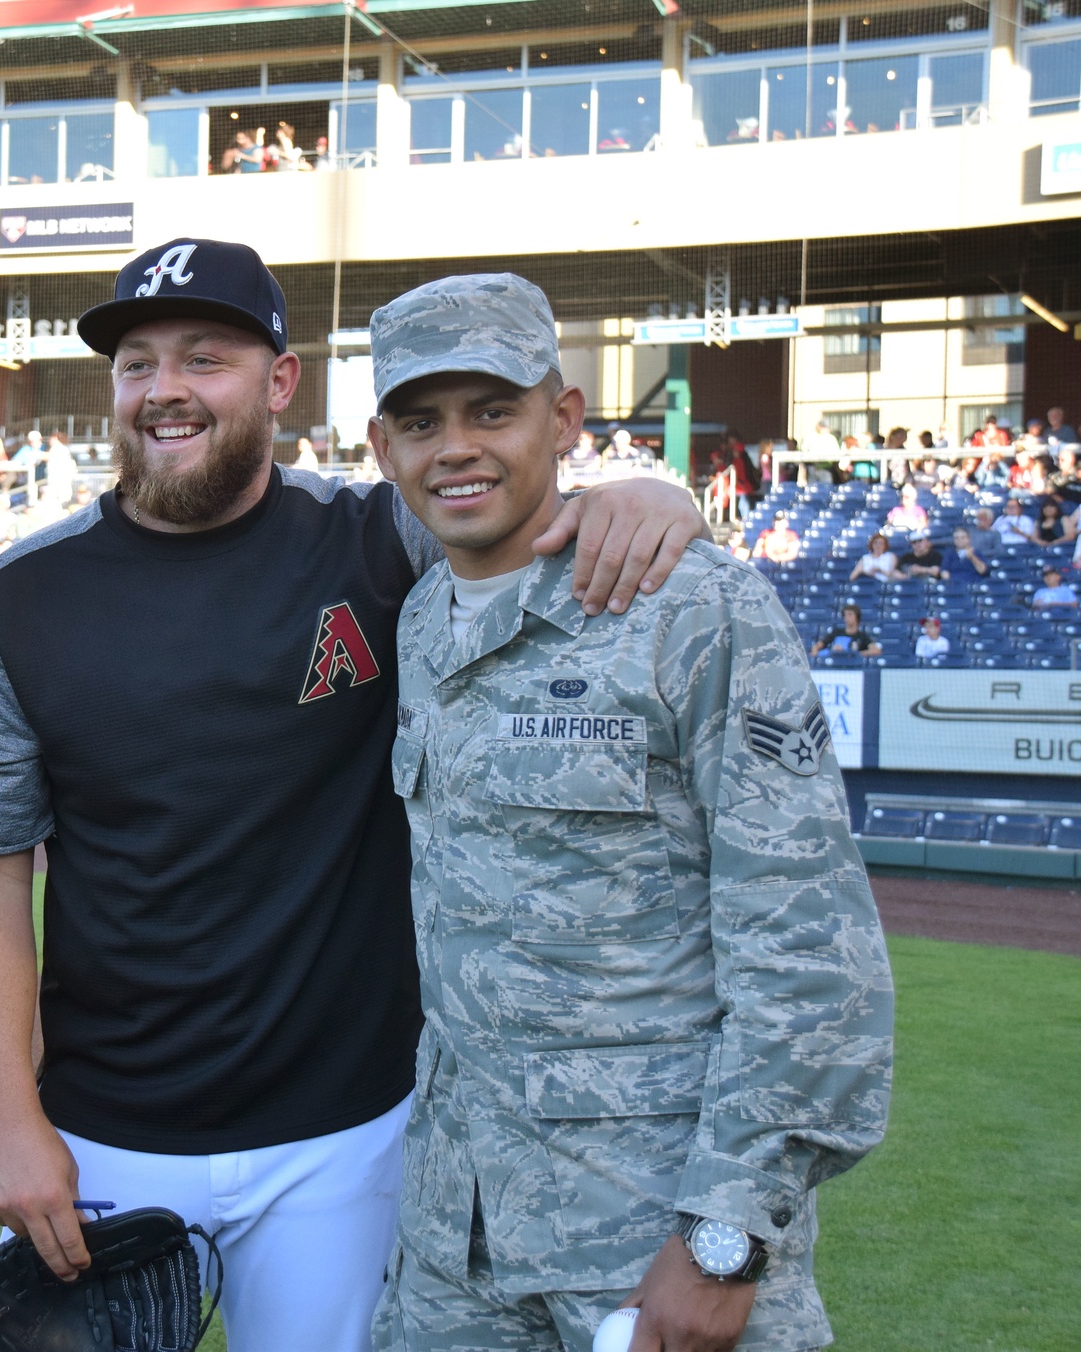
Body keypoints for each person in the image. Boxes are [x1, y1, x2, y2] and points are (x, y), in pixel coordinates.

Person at [0, 239, 706, 1352]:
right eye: (137, 364)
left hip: (348, 1129)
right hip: (106, 1128)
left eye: (204, 357)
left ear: (280, 382)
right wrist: (5, 1117)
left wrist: (646, 488)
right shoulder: (21, 597)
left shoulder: (377, 539)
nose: (165, 391)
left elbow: (514, 497)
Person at [363, 273, 891, 1352]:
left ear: (563, 419)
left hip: (647, 1221)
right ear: (381, 449)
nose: (453, 447)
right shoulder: (419, 619)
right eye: (420, 423)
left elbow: (805, 951)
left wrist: (725, 1233)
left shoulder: (692, 607)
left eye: (491, 411)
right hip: (452, 1236)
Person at [811, 603, 883, 658]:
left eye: (850, 615)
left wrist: (856, 654)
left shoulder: (862, 636)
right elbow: (817, 646)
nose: (846, 618)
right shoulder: (836, 632)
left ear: (857, 617)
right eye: (845, 615)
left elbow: (876, 650)